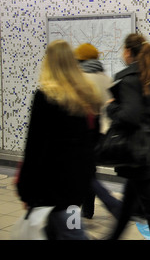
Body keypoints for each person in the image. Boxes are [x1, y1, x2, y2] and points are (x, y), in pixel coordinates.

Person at [16, 40, 103, 240]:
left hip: (49, 187)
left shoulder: (45, 96)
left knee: (70, 233)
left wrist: (26, 190)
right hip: (75, 187)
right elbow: (91, 142)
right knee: (68, 230)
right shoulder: (85, 95)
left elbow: (35, 147)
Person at [107, 33, 150, 240]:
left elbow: (129, 116)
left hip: (139, 156)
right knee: (129, 205)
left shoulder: (128, 80)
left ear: (128, 52)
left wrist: (111, 108)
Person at [74, 43, 122, 220]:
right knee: (89, 171)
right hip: (103, 134)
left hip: (84, 132)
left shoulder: (80, 78)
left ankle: (108, 204)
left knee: (82, 173)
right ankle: (88, 211)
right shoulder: (106, 78)